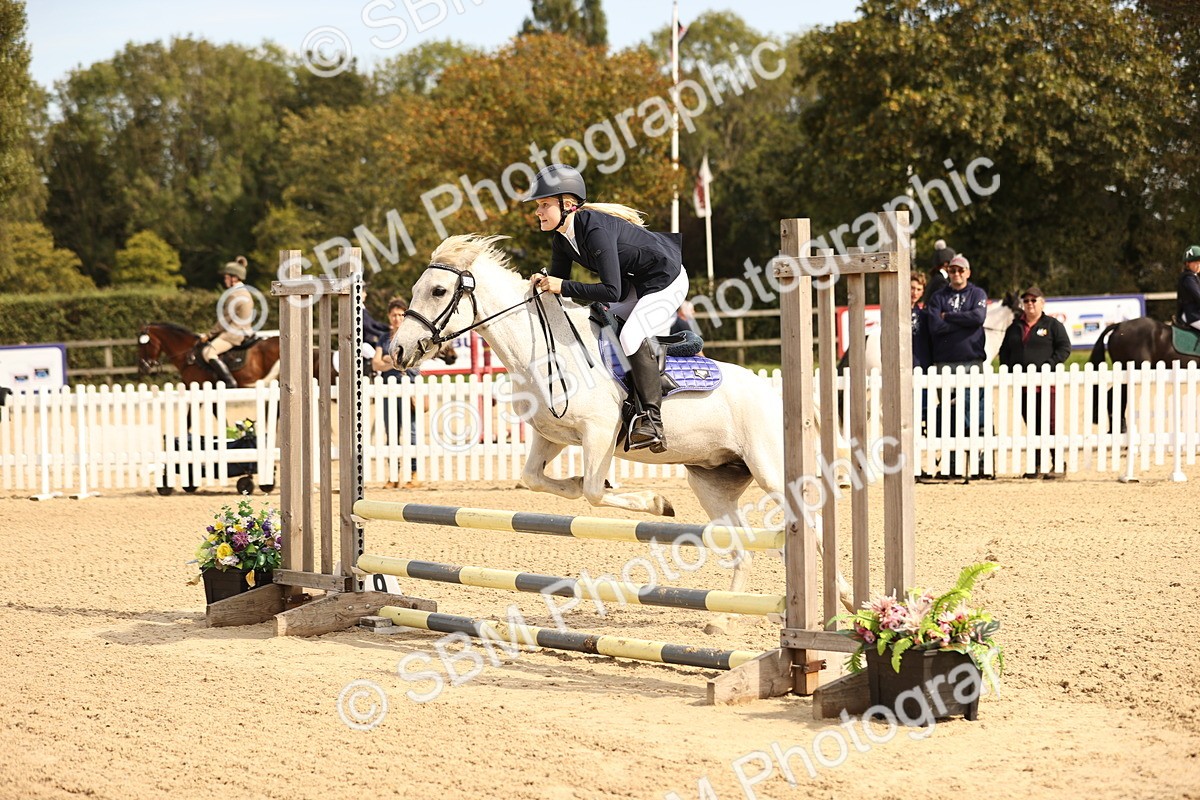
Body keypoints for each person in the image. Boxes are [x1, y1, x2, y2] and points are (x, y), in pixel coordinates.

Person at [525, 163, 688, 453]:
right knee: (597, 323)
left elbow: (607, 290)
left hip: (667, 279)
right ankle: (642, 385)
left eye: (544, 204)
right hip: (635, 284)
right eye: (538, 205)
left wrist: (559, 285)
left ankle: (652, 422)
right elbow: (558, 288)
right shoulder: (562, 240)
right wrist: (540, 287)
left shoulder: (595, 229)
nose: (538, 211)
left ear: (568, 204)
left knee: (630, 336)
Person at [925, 253, 988, 477]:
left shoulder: (977, 293)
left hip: (972, 361)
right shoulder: (938, 296)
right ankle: (951, 463)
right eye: (953, 270)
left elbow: (978, 318)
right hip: (945, 362)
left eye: (961, 270)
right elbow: (935, 327)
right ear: (948, 272)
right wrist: (963, 321)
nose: (957, 274)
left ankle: (979, 463)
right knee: (948, 412)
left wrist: (949, 316)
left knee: (974, 411)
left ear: (968, 273)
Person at [998, 286, 1071, 479]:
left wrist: (1049, 365)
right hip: (1023, 386)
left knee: (1051, 424)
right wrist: (1009, 368)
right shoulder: (1014, 327)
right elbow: (1005, 351)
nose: (1030, 304)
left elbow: (1064, 348)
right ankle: (1037, 465)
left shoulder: (1052, 325)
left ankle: (1058, 464)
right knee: (1033, 425)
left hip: (1047, 385)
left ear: (1042, 302)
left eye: (1033, 300)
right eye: (1026, 301)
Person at [372, 297, 421, 489]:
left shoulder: (411, 337)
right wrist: (391, 361)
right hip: (387, 391)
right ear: (388, 316)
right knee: (390, 433)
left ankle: (413, 473)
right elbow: (375, 363)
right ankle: (393, 475)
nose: (397, 318)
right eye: (394, 315)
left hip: (408, 389)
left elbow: (413, 364)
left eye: (401, 314)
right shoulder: (384, 338)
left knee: (411, 432)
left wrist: (387, 360)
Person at [198, 256, 254, 387]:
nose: (224, 280)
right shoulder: (244, 291)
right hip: (243, 331)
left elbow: (224, 320)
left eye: (226, 277)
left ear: (234, 278)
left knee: (208, 352)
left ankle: (229, 381)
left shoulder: (235, 294)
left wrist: (209, 335)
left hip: (234, 334)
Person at [911, 272, 932, 437]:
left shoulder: (925, 316)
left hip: (922, 365)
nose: (914, 292)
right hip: (904, 367)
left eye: (918, 289)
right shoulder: (894, 312)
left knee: (922, 409)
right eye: (912, 288)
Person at [1178, 246, 1200, 331]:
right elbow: (1198, 296)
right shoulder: (1188, 279)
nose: (1198, 265)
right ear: (1187, 263)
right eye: (1195, 262)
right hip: (1192, 315)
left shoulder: (1195, 277)